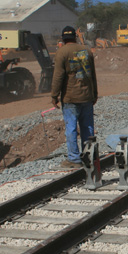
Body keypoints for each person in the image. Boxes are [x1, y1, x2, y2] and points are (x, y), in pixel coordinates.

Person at [51, 25, 98, 168]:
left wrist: (54, 95)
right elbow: (93, 75)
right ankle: (90, 156)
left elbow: (58, 76)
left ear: (63, 38)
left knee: (71, 128)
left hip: (71, 97)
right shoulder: (87, 51)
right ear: (75, 37)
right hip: (87, 96)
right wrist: (94, 93)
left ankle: (74, 159)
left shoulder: (61, 52)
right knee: (88, 127)